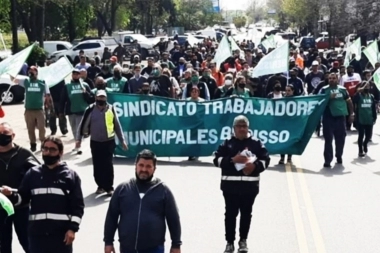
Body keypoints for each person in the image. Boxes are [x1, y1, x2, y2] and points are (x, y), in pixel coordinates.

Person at [0, 136, 84, 253]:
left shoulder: (70, 176)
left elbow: (78, 206)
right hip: (37, 235)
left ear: (60, 152)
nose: (48, 152)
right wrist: (11, 195)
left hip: (61, 235)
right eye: (45, 149)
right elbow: (22, 199)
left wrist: (72, 229)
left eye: (52, 150)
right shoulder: (32, 174)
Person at [104, 149, 182, 253]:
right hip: (127, 248)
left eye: (148, 166)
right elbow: (111, 217)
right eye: (141, 165)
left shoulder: (163, 190)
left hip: (154, 249)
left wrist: (176, 245)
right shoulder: (123, 189)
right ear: (135, 166)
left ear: (154, 169)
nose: (144, 169)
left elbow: (174, 219)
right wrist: (108, 242)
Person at [213, 115, 270, 253]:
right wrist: (232, 160)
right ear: (234, 128)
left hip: (249, 187)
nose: (242, 129)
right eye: (239, 126)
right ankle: (229, 242)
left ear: (248, 128)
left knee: (246, 214)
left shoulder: (256, 143)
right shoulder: (227, 143)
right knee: (230, 214)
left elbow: (265, 160)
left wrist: (254, 166)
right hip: (230, 187)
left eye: (244, 126)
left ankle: (243, 241)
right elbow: (217, 160)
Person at [76, 90, 128, 195]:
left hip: (108, 142)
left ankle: (109, 187)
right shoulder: (90, 109)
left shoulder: (111, 109)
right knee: (97, 164)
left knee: (108, 164)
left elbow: (117, 125)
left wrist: (122, 140)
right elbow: (82, 124)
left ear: (106, 98)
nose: (101, 99)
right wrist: (79, 139)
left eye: (103, 98)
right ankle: (100, 186)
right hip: (95, 142)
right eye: (99, 97)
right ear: (96, 98)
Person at [0, 122, 40, 253]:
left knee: (28, 243)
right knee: (3, 245)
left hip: (21, 207)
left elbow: (40, 175)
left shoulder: (24, 154)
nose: (2, 136)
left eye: (5, 133)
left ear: (13, 135)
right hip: (1, 209)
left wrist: (15, 191)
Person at [319, 73, 354, 167]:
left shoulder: (342, 90)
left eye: (333, 78)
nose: (331, 80)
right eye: (330, 78)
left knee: (341, 138)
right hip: (328, 117)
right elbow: (319, 102)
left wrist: (352, 113)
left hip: (340, 117)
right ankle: (327, 160)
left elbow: (349, 101)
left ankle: (339, 155)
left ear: (337, 79)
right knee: (328, 140)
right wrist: (328, 98)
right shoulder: (324, 90)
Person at [15, 66, 51, 151]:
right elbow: (14, 80)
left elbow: (47, 94)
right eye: (29, 71)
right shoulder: (26, 81)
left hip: (39, 109)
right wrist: (12, 72)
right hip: (29, 110)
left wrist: (48, 104)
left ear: (36, 72)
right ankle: (33, 144)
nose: (31, 72)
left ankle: (43, 143)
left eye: (33, 71)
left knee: (41, 128)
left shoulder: (42, 82)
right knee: (30, 128)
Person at [353, 82, 377, 157]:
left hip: (369, 118)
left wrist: (375, 117)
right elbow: (354, 100)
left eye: (368, 86)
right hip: (360, 119)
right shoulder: (359, 96)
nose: (366, 87)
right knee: (361, 135)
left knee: (368, 136)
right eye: (365, 86)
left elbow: (373, 108)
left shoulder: (371, 96)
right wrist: (357, 92)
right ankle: (360, 150)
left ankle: (365, 144)